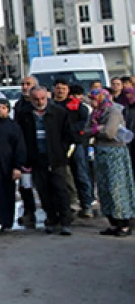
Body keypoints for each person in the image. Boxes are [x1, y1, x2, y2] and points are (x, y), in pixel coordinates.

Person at [24, 85, 75, 234]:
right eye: (36, 99)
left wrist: (61, 152)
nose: (39, 102)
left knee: (60, 190)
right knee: (44, 191)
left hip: (56, 159)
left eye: (42, 99)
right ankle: (51, 219)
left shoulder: (59, 113)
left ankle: (66, 221)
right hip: (36, 159)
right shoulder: (25, 114)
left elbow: (68, 135)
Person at [85, 89, 135, 236]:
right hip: (101, 153)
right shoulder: (95, 114)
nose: (92, 103)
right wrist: (97, 128)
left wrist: (97, 130)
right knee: (104, 188)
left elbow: (110, 133)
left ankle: (124, 224)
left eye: (94, 99)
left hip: (115, 154)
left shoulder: (113, 112)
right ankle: (112, 222)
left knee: (117, 188)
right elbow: (86, 130)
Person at [0, 98, 27, 231]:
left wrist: (18, 166)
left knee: (7, 193)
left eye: (3, 107)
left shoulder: (14, 127)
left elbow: (20, 148)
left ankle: (7, 221)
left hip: (7, 165)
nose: (0, 110)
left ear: (8, 110)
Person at [54, 80, 94, 217]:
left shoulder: (77, 106)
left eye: (63, 88)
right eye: (58, 88)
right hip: (57, 145)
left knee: (81, 173)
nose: (60, 91)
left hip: (76, 144)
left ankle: (86, 204)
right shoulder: (50, 105)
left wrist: (69, 130)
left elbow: (85, 122)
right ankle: (67, 205)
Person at [13, 75, 41, 228]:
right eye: (23, 84)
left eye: (28, 84)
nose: (24, 87)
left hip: (42, 151)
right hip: (25, 151)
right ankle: (29, 212)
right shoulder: (19, 105)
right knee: (25, 185)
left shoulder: (43, 105)